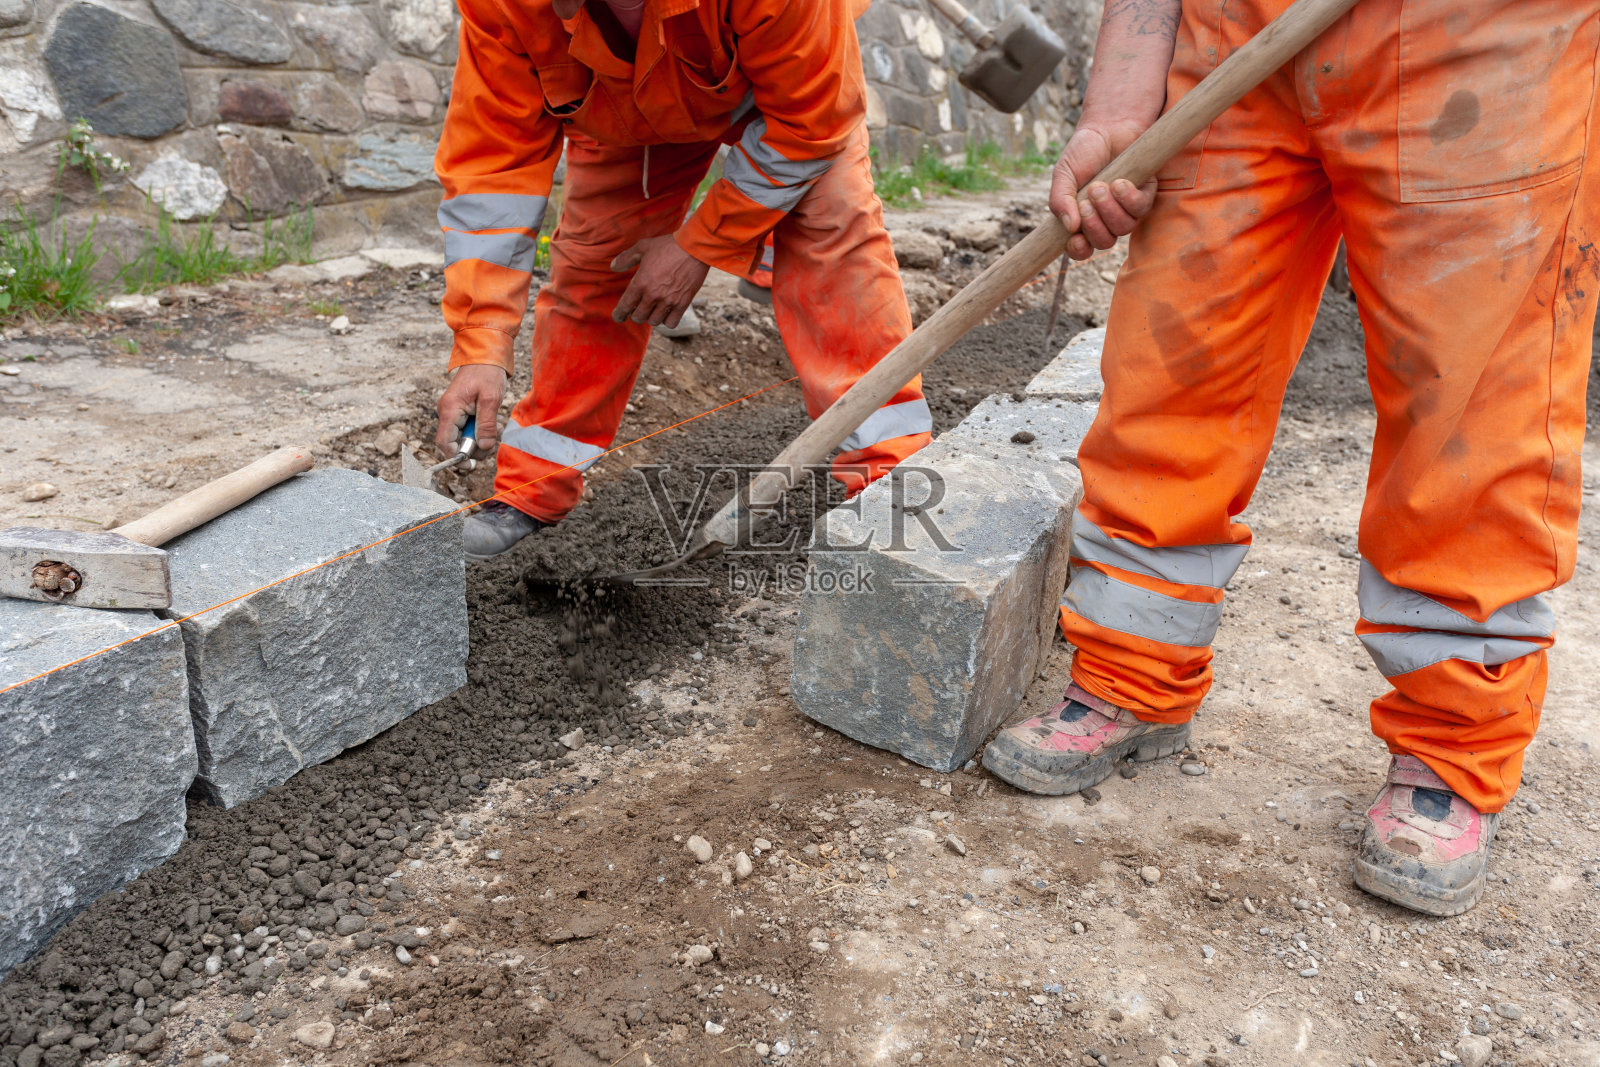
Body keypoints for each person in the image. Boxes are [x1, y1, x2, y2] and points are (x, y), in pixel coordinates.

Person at [983, 0, 1600, 916]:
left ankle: (1452, 743)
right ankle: (1130, 674)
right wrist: (1120, 92)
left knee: (1469, 403)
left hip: (1481, 32)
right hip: (1233, 31)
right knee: (1172, 367)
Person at [432, 0, 932, 560]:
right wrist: (481, 345)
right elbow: (493, 169)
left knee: (832, 231)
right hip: (619, 111)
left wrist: (698, 247)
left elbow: (811, 124)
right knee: (598, 267)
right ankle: (532, 490)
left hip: (779, 98)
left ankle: (893, 483)